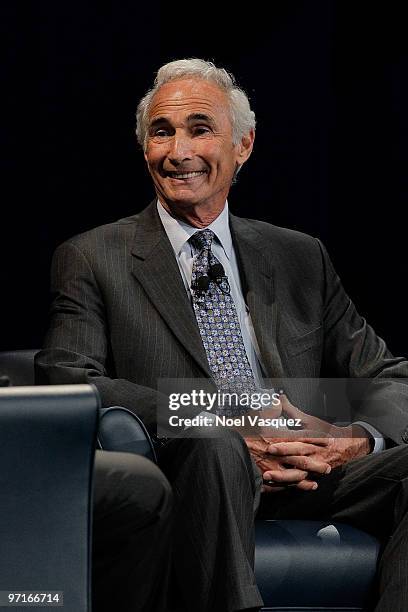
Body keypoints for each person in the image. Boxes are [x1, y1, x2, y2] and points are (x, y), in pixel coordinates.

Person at [35, 58, 408, 612]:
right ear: (145, 149)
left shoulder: (299, 256)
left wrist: (349, 439)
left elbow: (388, 378)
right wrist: (222, 413)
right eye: (162, 133)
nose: (178, 151)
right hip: (194, 474)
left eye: (200, 130)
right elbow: (69, 378)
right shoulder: (94, 256)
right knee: (215, 447)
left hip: (306, 473)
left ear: (244, 145)